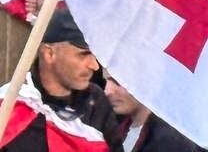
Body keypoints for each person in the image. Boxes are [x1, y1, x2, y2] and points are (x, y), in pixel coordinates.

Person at [0, 8, 123, 150]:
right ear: (49, 54)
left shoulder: (96, 104)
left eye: (95, 56)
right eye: (83, 54)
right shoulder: (11, 103)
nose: (95, 66)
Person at [104, 71, 204, 152]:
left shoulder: (170, 140)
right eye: (107, 81)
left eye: (118, 81)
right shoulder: (119, 129)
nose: (107, 91)